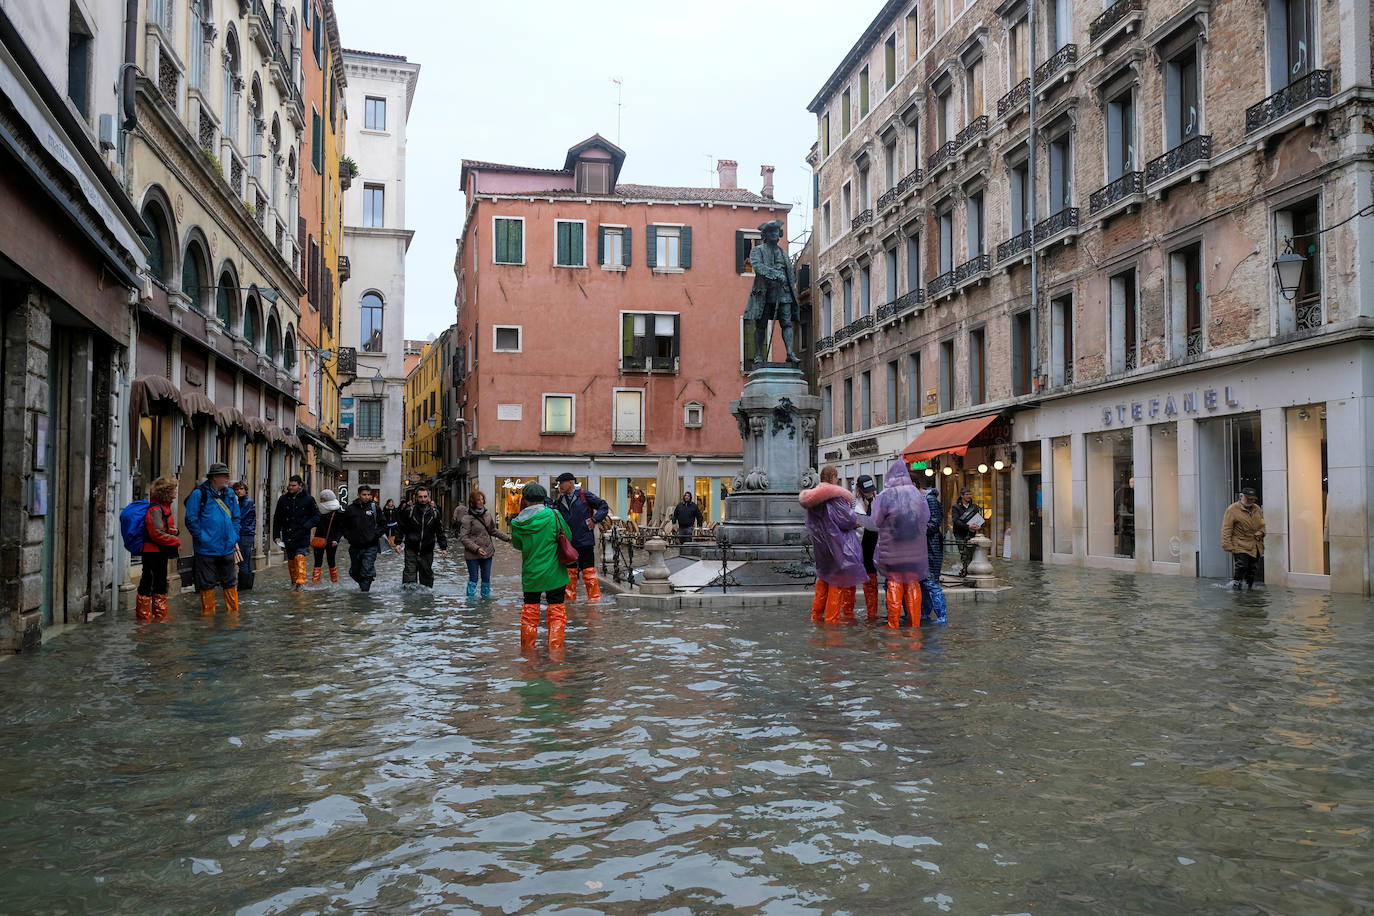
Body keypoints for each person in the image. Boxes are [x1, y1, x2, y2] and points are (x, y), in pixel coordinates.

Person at [799, 465, 867, 624]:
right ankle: (831, 622)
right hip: (837, 545)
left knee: (823, 581)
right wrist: (855, 521)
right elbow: (847, 519)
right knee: (836, 583)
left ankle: (816, 617)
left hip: (821, 547)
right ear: (833, 477)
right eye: (836, 477)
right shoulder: (835, 497)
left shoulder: (813, 500)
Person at [509, 482, 573, 650]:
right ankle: (556, 650)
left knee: (529, 613)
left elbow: (517, 545)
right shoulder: (554, 515)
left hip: (531, 574)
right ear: (543, 498)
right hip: (555, 574)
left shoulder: (517, 523)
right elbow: (569, 536)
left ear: (525, 499)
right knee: (557, 612)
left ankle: (528, 652)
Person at [871, 459, 931, 628]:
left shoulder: (885, 496)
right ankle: (915, 625)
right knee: (912, 584)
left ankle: (894, 626)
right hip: (915, 552)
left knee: (895, 584)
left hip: (893, 553)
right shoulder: (917, 494)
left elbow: (875, 521)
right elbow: (926, 518)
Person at [183, 462, 242, 616]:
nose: (228, 479)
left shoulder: (230, 494)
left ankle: (232, 616)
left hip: (227, 546)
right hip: (206, 548)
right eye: (225, 476)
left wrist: (234, 535)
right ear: (214, 478)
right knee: (206, 583)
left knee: (230, 582)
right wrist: (202, 537)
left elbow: (236, 517)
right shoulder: (199, 494)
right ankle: (208, 617)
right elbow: (191, 519)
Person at [744, 219, 801, 367]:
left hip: (784, 292)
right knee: (761, 324)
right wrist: (775, 274)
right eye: (772, 232)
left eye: (777, 232)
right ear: (766, 235)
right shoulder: (757, 250)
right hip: (764, 292)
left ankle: (789, 353)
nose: (775, 234)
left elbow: (789, 274)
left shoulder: (783, 254)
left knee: (787, 323)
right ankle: (757, 355)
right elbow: (758, 267)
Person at [550, 472, 608, 602]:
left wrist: (594, 519)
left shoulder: (584, 495)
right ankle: (570, 601)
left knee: (588, 572)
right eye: (558, 483)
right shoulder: (560, 500)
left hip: (585, 541)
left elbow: (603, 506)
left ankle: (594, 600)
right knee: (570, 573)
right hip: (568, 543)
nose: (559, 486)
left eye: (561, 483)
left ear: (570, 482)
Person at [136, 476, 182, 623]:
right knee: (149, 582)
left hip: (159, 550)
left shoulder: (164, 507)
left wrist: (174, 532)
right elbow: (156, 532)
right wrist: (175, 540)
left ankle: (159, 615)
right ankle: (145, 617)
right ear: (167, 491)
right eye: (174, 489)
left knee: (160, 581)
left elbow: (161, 529)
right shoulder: (156, 509)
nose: (176, 491)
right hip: (152, 551)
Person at [455, 488, 511, 599]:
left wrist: (508, 539)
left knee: (486, 579)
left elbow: (493, 531)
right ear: (472, 502)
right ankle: (471, 605)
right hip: (472, 554)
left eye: (482, 499)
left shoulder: (487, 515)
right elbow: (463, 537)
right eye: (478, 500)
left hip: (487, 552)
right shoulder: (467, 518)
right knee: (474, 579)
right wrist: (476, 548)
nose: (481, 502)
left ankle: (485, 604)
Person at [272, 475, 319, 590]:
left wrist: (306, 526)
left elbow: (317, 516)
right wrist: (276, 535)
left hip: (302, 534)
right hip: (288, 534)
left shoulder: (309, 499)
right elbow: (277, 518)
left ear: (300, 486)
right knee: (291, 559)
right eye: (290, 485)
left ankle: (301, 581)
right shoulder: (283, 499)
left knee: (300, 555)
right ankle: (294, 582)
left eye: (294, 485)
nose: (290, 487)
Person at [396, 486, 448, 587]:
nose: (423, 499)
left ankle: (426, 601)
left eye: (425, 497)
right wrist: (398, 543)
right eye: (420, 497)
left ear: (429, 497)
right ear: (416, 497)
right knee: (409, 579)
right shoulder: (409, 511)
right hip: (411, 548)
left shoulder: (434, 513)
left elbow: (440, 531)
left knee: (426, 580)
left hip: (427, 549)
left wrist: (443, 547)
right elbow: (401, 527)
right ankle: (409, 600)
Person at [1222, 486, 1266, 590]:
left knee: (1253, 569)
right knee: (1242, 566)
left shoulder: (1257, 509)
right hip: (1240, 543)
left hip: (1255, 544)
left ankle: (1249, 587)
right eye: (1248, 498)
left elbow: (1262, 523)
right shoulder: (1232, 509)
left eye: (1252, 499)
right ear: (1241, 496)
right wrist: (1227, 545)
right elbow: (1226, 528)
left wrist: (1262, 532)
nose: (1250, 501)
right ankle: (1236, 586)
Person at [341, 485, 383, 592]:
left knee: (366, 570)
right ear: (358, 495)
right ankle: (364, 585)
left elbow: (383, 524)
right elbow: (343, 525)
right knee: (354, 572)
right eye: (364, 495)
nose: (367, 497)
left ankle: (364, 595)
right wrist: (348, 536)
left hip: (371, 545)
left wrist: (375, 535)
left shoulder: (375, 508)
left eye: (369, 495)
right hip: (355, 546)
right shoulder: (350, 509)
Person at [854, 475, 881, 619]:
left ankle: (872, 613)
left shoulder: (877, 501)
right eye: (866, 491)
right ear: (858, 489)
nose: (869, 493)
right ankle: (851, 613)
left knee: (871, 575)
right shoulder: (853, 503)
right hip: (860, 542)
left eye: (871, 490)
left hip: (874, 542)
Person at [921, 478, 947, 625]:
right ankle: (925, 613)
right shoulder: (920, 500)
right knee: (923, 581)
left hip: (932, 545)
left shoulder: (930, 499)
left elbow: (935, 522)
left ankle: (941, 616)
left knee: (931, 581)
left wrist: (917, 530)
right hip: (923, 545)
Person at [310, 489, 343, 584]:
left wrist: (336, 540)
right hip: (322, 539)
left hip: (330, 540)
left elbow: (340, 528)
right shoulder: (319, 511)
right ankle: (331, 581)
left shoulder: (336, 512)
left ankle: (327, 581)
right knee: (322, 561)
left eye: (321, 498)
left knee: (328, 560)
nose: (320, 500)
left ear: (324, 499)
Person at [951, 488, 984, 576]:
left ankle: (969, 570)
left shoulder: (974, 507)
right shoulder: (956, 507)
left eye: (970, 494)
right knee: (964, 553)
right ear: (962, 495)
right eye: (967, 494)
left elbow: (978, 518)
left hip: (971, 533)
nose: (969, 496)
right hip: (960, 533)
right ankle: (966, 571)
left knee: (971, 552)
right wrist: (967, 526)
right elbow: (956, 521)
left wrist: (979, 525)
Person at [232, 481, 256, 591]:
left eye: (241, 489)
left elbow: (239, 516)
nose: (239, 491)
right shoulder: (241, 501)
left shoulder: (247, 502)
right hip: (245, 534)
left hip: (245, 534)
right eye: (237, 489)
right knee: (245, 561)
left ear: (245, 490)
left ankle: (243, 587)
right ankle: (247, 586)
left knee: (243, 562)